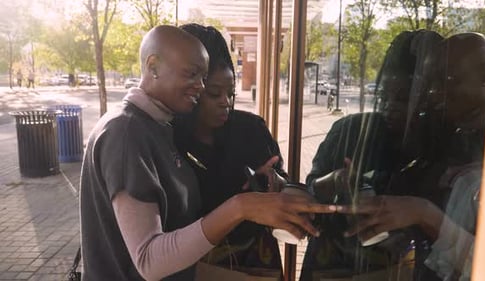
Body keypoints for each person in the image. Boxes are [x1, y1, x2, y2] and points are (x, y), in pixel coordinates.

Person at [79, 25, 336, 281]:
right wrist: (241, 206)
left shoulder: (157, 127)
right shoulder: (127, 132)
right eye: (192, 74)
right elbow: (149, 260)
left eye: (203, 78)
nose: (199, 87)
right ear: (153, 66)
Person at [336, 32, 485, 281]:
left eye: (447, 80)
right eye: (429, 83)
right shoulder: (441, 142)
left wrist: (424, 214)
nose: (433, 93)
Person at [299, 30, 444, 281]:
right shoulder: (349, 131)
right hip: (333, 266)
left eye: (401, 98)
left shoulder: (440, 150)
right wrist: (334, 181)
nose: (388, 106)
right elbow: (310, 192)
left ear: (426, 100)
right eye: (382, 95)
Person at [174, 23, 286, 270]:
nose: (225, 102)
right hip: (194, 268)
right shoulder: (169, 140)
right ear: (192, 89)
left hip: (256, 265)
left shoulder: (252, 130)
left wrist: (277, 185)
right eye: (214, 93)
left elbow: (283, 185)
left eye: (231, 93)